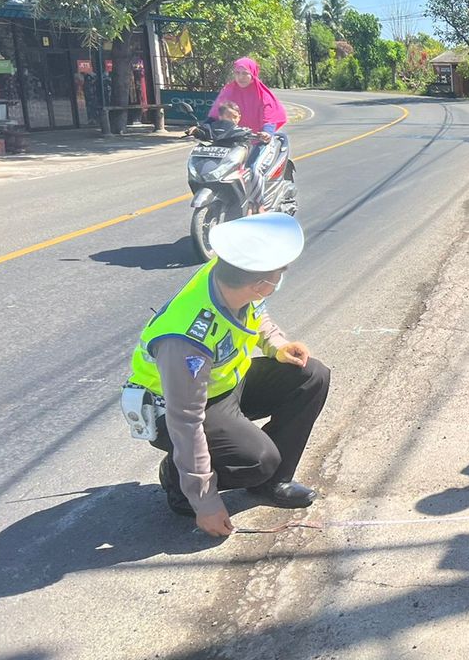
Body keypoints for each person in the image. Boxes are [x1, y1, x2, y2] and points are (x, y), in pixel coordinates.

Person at [126, 213, 329, 537]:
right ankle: (180, 483)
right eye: (279, 272)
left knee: (312, 376)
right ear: (259, 284)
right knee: (258, 460)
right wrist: (204, 501)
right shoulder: (186, 340)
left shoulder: (229, 278)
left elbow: (256, 314)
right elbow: (185, 421)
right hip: (175, 410)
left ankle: (272, 484)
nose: (282, 276)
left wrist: (277, 345)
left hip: (222, 385)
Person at [209, 57, 288, 137]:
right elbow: (216, 113)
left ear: (253, 74)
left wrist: (267, 133)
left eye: (245, 73)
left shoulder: (262, 95)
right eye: (237, 73)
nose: (240, 77)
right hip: (230, 138)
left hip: (257, 138)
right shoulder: (228, 91)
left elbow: (269, 118)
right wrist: (204, 126)